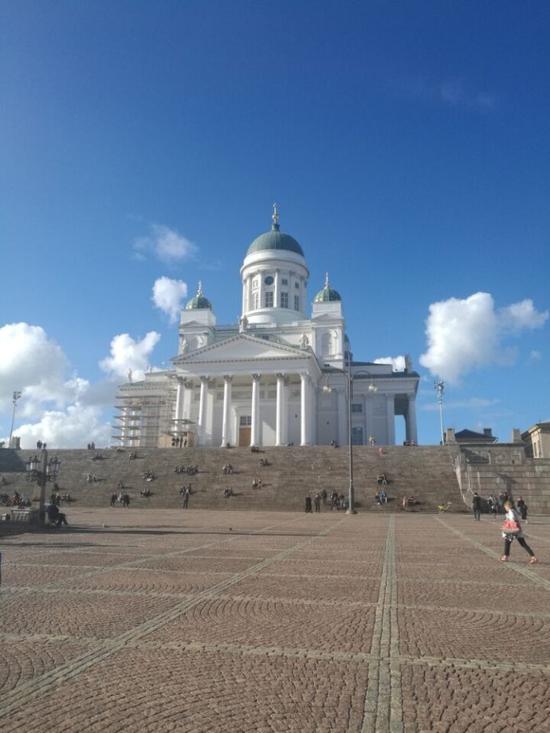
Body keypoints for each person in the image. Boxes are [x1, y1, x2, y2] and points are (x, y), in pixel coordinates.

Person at [501, 500, 537, 564]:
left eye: (505, 507)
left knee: (508, 542)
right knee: (522, 544)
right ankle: (533, 557)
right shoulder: (514, 511)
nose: (505, 508)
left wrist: (508, 521)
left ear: (507, 506)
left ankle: (505, 556)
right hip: (517, 530)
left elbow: (512, 519)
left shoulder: (511, 511)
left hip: (513, 530)